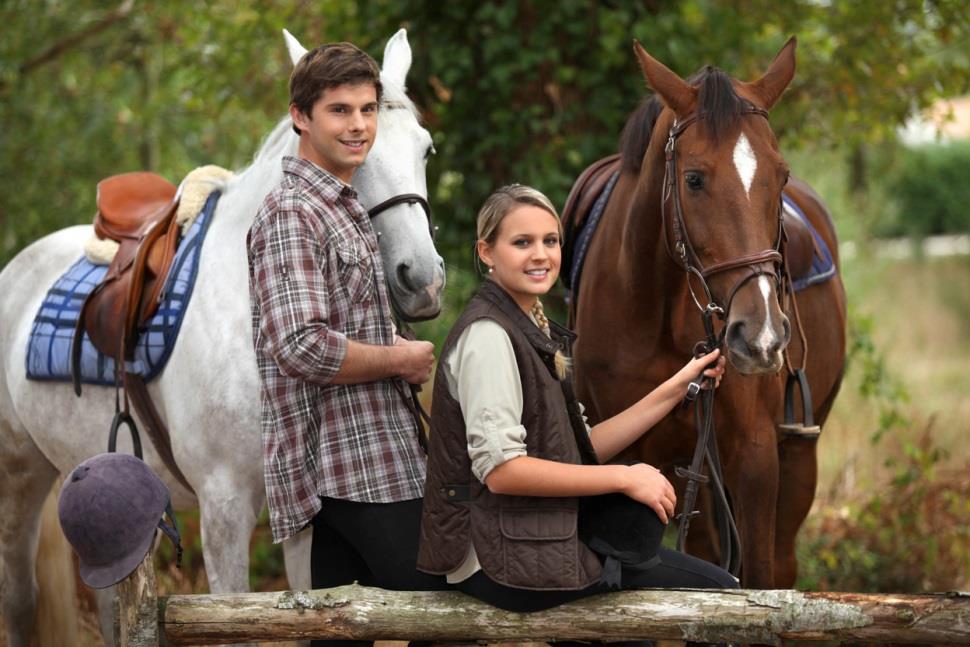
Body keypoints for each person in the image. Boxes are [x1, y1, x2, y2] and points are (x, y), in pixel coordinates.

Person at [417, 184, 738, 618]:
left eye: (550, 241)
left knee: (699, 593)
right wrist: (623, 479)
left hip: (534, 537)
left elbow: (580, 446)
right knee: (717, 596)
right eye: (522, 243)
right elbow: (503, 471)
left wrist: (679, 385)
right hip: (496, 557)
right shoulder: (489, 336)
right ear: (487, 252)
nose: (541, 255)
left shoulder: (532, 326)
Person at [247, 42, 446, 647]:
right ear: (300, 117)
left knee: (338, 633)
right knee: (449, 616)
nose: (358, 125)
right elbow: (301, 345)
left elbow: (333, 320)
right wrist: (400, 358)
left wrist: (384, 342)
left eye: (367, 110)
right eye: (340, 110)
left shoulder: (342, 202)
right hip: (348, 468)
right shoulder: (292, 212)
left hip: (369, 457)